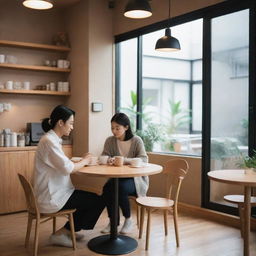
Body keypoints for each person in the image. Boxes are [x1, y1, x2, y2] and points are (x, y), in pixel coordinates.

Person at [33, 105, 104, 247]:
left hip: (54, 191)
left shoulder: (52, 140)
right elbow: (67, 168)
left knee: (90, 198)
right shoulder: (49, 142)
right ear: (60, 123)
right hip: (52, 196)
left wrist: (82, 161)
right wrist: (86, 160)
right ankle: (63, 232)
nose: (72, 127)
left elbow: (63, 164)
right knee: (97, 200)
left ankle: (70, 229)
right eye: (70, 123)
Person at [101, 112, 148, 234]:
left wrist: (123, 160)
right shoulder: (110, 141)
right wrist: (108, 159)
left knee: (119, 188)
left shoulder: (137, 140)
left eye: (117, 128)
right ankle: (113, 222)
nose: (114, 131)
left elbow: (144, 159)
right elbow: (104, 155)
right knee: (107, 188)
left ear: (126, 127)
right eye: (112, 128)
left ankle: (128, 219)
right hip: (117, 177)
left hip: (135, 180)